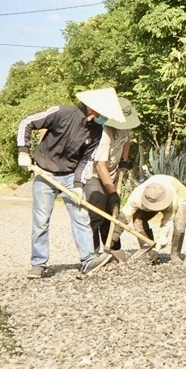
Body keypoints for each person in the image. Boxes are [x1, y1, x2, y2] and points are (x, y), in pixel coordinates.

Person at [17, 88, 120, 279]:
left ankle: (88, 260)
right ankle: (38, 264)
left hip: (70, 176)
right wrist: (23, 151)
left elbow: (86, 160)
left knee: (81, 217)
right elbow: (26, 122)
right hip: (44, 172)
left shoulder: (96, 131)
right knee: (41, 220)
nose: (104, 117)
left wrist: (79, 185)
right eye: (103, 113)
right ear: (93, 109)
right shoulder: (61, 112)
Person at [80, 94, 141, 253]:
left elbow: (126, 140)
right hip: (94, 175)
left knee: (112, 213)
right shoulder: (105, 132)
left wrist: (124, 160)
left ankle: (112, 249)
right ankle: (91, 254)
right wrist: (112, 192)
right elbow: (100, 166)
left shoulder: (124, 127)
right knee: (96, 214)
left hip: (111, 174)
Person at [117, 173, 186, 262]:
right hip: (155, 193)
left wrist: (157, 249)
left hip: (179, 195)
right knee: (138, 220)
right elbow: (123, 218)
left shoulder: (172, 200)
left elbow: (166, 225)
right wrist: (113, 237)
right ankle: (147, 250)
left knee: (179, 223)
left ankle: (175, 255)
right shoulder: (136, 197)